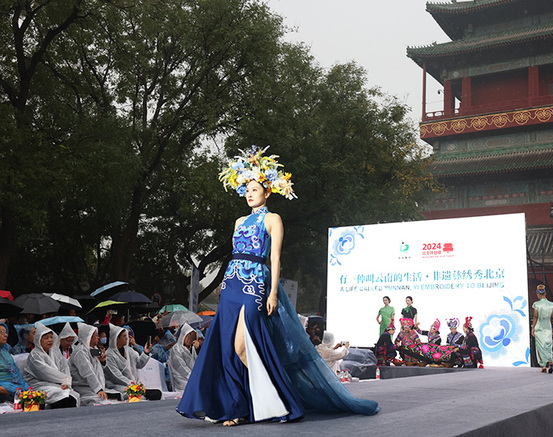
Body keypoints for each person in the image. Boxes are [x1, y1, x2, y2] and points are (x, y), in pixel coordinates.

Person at [177, 146, 378, 426]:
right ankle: (240, 407)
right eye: (247, 189)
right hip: (232, 284)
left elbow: (275, 258)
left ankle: (277, 398)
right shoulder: (239, 222)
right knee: (226, 347)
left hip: (255, 284)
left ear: (267, 192)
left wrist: (272, 292)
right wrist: (225, 287)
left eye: (255, 188)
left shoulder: (273, 219)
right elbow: (235, 254)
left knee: (241, 346)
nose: (249, 193)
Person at [23, 323, 79, 408]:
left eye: (51, 337)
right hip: (41, 385)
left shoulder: (55, 353)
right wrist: (65, 380)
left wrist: (66, 383)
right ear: (39, 340)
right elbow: (46, 373)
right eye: (46, 338)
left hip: (58, 384)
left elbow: (64, 368)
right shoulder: (34, 356)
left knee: (74, 395)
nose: (50, 340)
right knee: (64, 397)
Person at [104, 323, 161, 400]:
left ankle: (141, 392)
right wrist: (132, 384)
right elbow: (116, 376)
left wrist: (146, 353)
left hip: (133, 384)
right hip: (117, 385)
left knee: (156, 393)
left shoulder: (129, 351)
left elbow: (139, 364)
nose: (127, 338)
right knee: (129, 393)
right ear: (117, 339)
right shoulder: (109, 354)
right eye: (124, 336)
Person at [70, 323, 119, 405]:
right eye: (96, 336)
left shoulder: (93, 349)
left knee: (118, 394)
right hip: (84, 388)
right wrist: (98, 389)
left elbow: (97, 371)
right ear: (89, 337)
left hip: (96, 387)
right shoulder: (80, 352)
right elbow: (88, 372)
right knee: (98, 400)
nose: (98, 338)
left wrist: (102, 362)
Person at [0, 323, 29, 403]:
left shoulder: (5, 351)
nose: (5, 335)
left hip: (12, 386)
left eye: (6, 332)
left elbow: (15, 371)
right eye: (2, 332)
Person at [531, 284, 553, 373]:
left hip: (539, 327)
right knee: (549, 345)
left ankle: (543, 366)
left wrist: (533, 328)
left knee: (539, 346)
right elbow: (551, 318)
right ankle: (550, 361)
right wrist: (552, 327)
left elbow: (535, 317)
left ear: (538, 294)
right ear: (545, 293)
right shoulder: (552, 305)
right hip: (548, 327)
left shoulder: (536, 304)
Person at [168, 323, 198, 392]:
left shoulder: (192, 348)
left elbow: (198, 362)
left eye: (192, 336)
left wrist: (198, 349)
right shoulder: (176, 348)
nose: (190, 339)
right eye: (188, 336)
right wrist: (194, 377)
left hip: (192, 377)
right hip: (181, 379)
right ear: (183, 336)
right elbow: (181, 367)